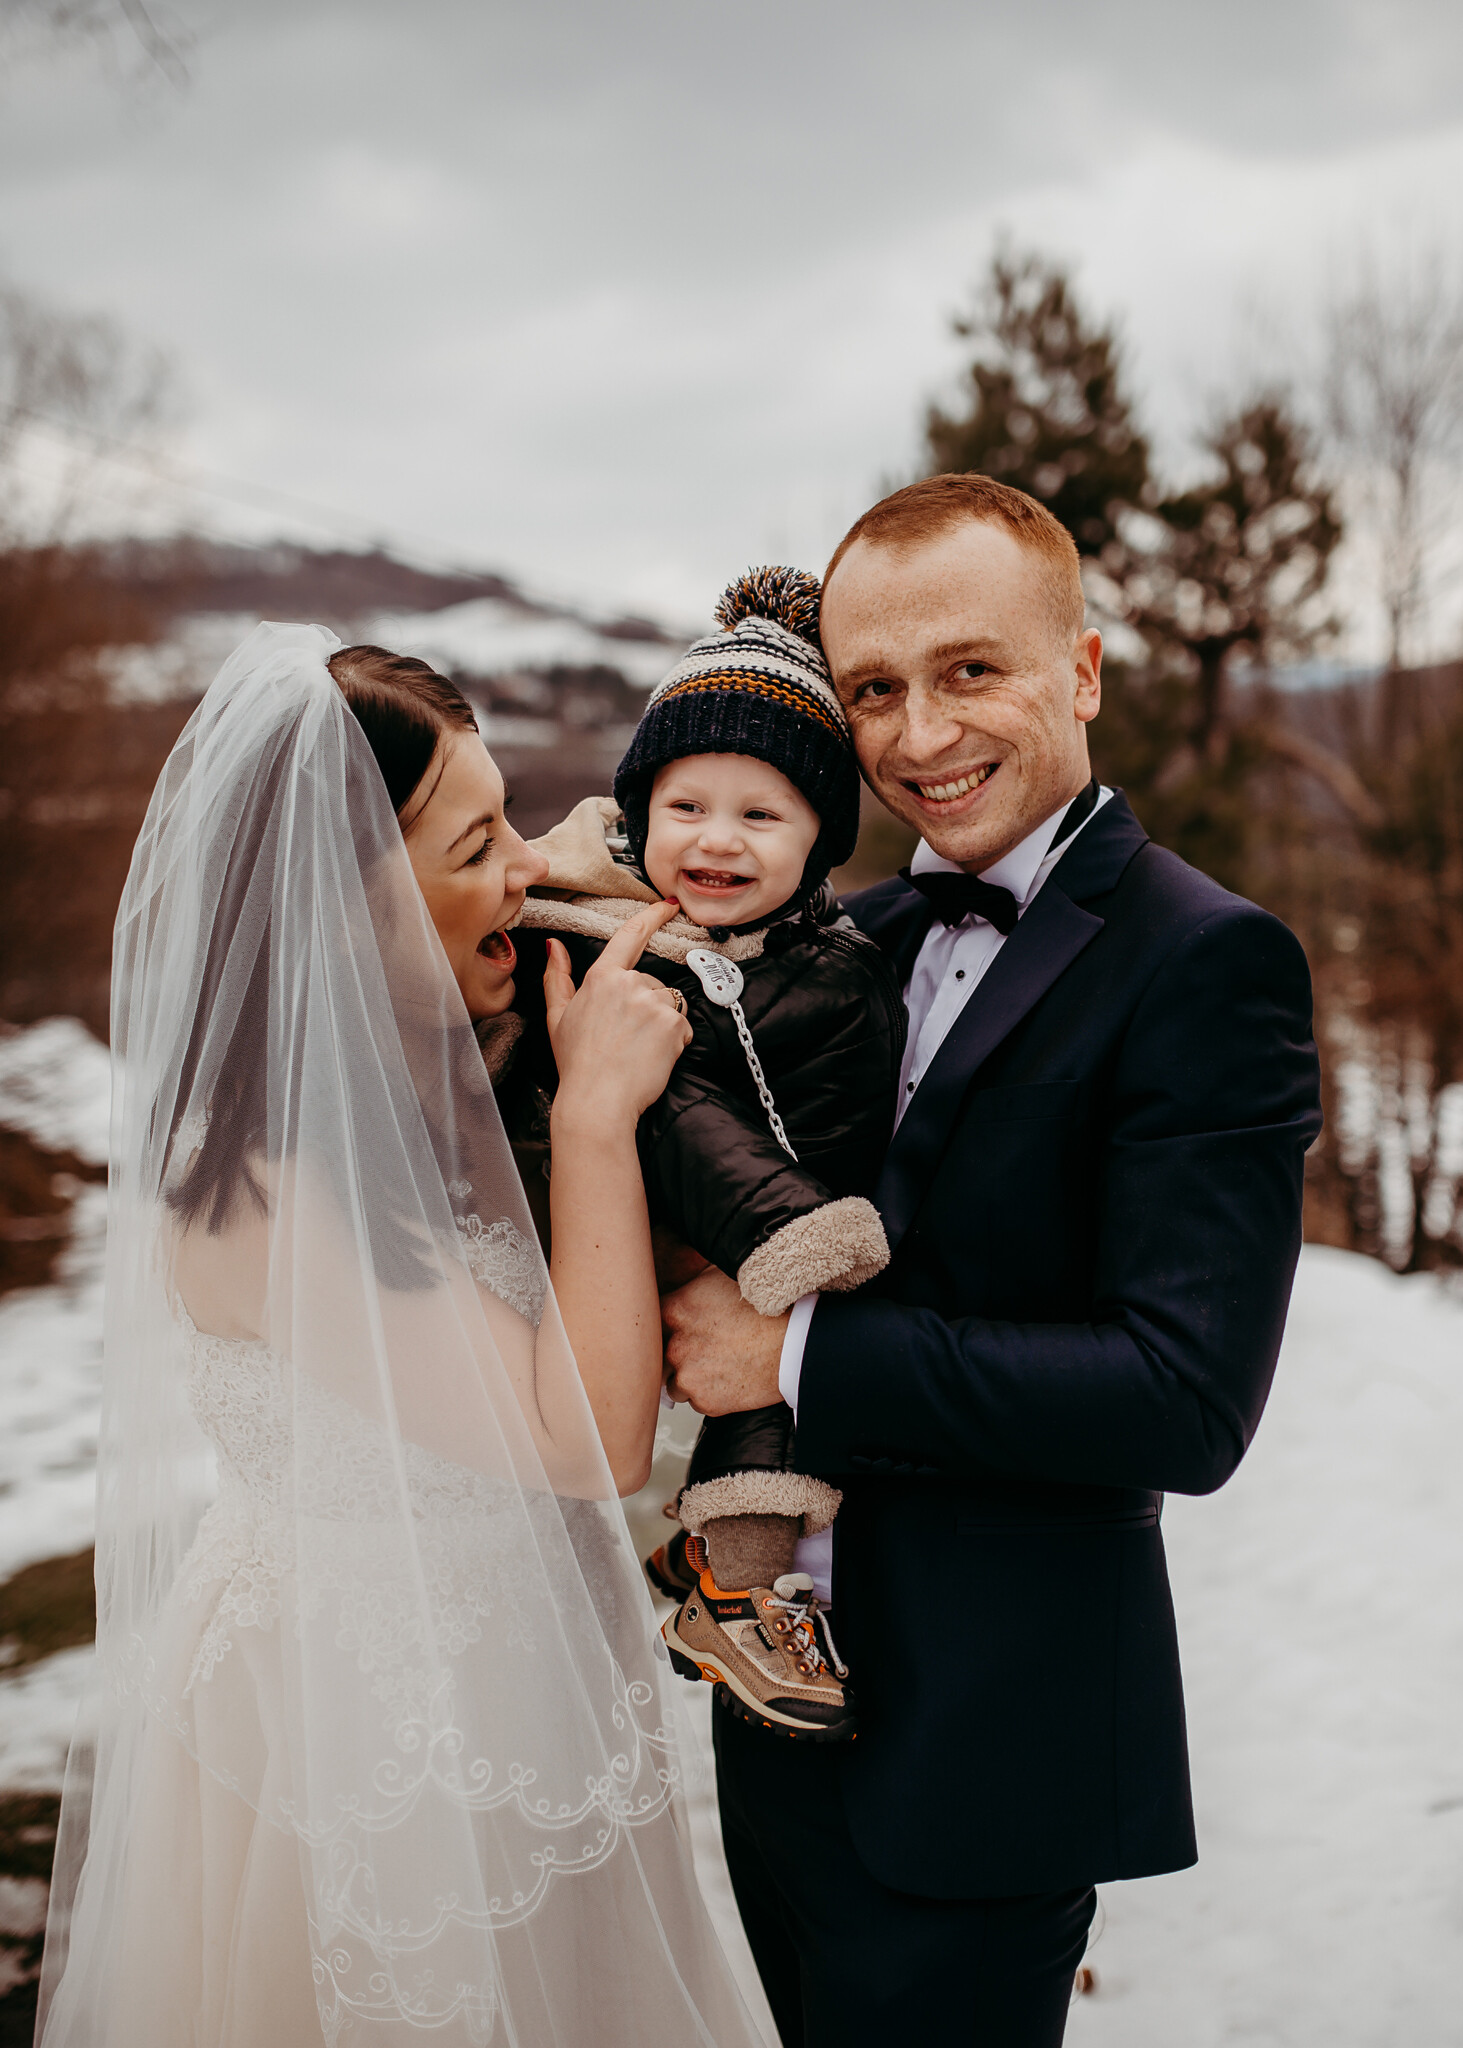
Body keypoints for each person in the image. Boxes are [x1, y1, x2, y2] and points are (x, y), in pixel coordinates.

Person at [661, 474, 1325, 2047]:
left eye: (969, 671)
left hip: (989, 1750)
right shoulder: (852, 936)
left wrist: (793, 1355)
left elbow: (1180, 1398)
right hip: (776, 1718)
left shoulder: (1205, 960)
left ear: (1079, 671)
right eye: (873, 690)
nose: (917, 735)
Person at [37, 625, 765, 2047]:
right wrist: (600, 1116)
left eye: (509, 823)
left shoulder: (424, 1069)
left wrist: (556, 877)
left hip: (525, 1704)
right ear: (339, 901)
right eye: (474, 845)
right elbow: (584, 1443)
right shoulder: (259, 1183)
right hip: (368, 1745)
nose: (524, 869)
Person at [507, 568, 904, 1741]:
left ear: (819, 838)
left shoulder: (825, 961)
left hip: (717, 1234)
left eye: (760, 816)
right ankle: (733, 1584)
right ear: (639, 809)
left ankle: (731, 1574)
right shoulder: (595, 924)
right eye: (684, 805)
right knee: (782, 1265)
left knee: (781, 1353)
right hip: (598, 1206)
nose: (715, 840)